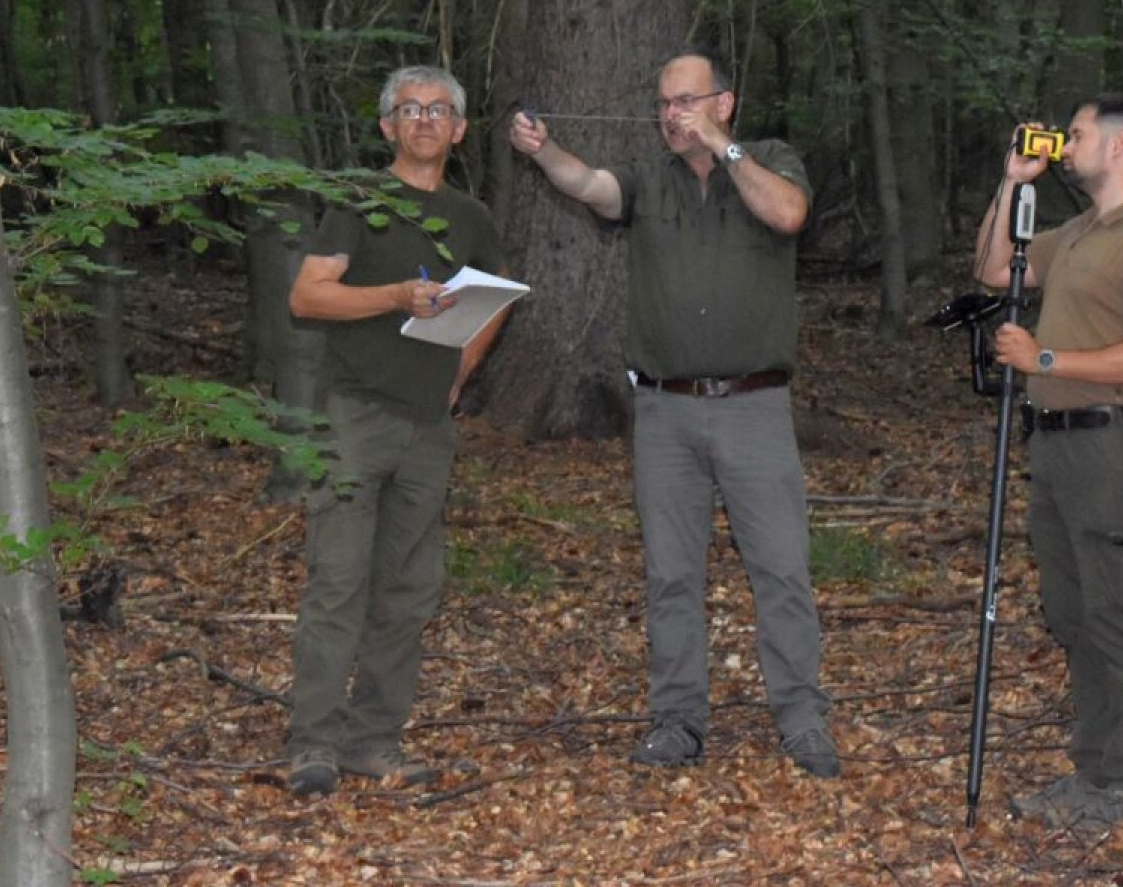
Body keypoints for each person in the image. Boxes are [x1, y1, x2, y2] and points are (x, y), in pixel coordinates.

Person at [508, 51, 837, 779]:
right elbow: (589, 186)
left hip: (754, 405)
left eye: (686, 101)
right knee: (671, 574)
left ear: (725, 101)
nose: (670, 114)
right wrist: (544, 150)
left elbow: (789, 212)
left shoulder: (769, 159)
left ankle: (802, 718)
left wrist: (722, 145)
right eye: (663, 102)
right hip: (664, 410)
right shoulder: (647, 177)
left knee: (780, 567)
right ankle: (678, 719)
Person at [283, 65, 510, 797]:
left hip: (427, 425)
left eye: (439, 109)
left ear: (460, 130)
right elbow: (308, 296)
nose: (423, 120)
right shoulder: (360, 204)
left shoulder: (470, 216)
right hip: (355, 415)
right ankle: (314, 742)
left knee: (408, 590)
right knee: (339, 582)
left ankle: (373, 739)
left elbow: (496, 299)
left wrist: (461, 371)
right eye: (408, 109)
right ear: (387, 126)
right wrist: (395, 296)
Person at [973, 94, 1123, 828]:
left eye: (1079, 134)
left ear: (1119, 148)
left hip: (1112, 442)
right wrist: (1013, 183)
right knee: (1073, 612)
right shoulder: (1081, 231)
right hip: (1055, 444)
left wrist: (1047, 356)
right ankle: (1093, 775)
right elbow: (997, 270)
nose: (1065, 144)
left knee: (1116, 608)